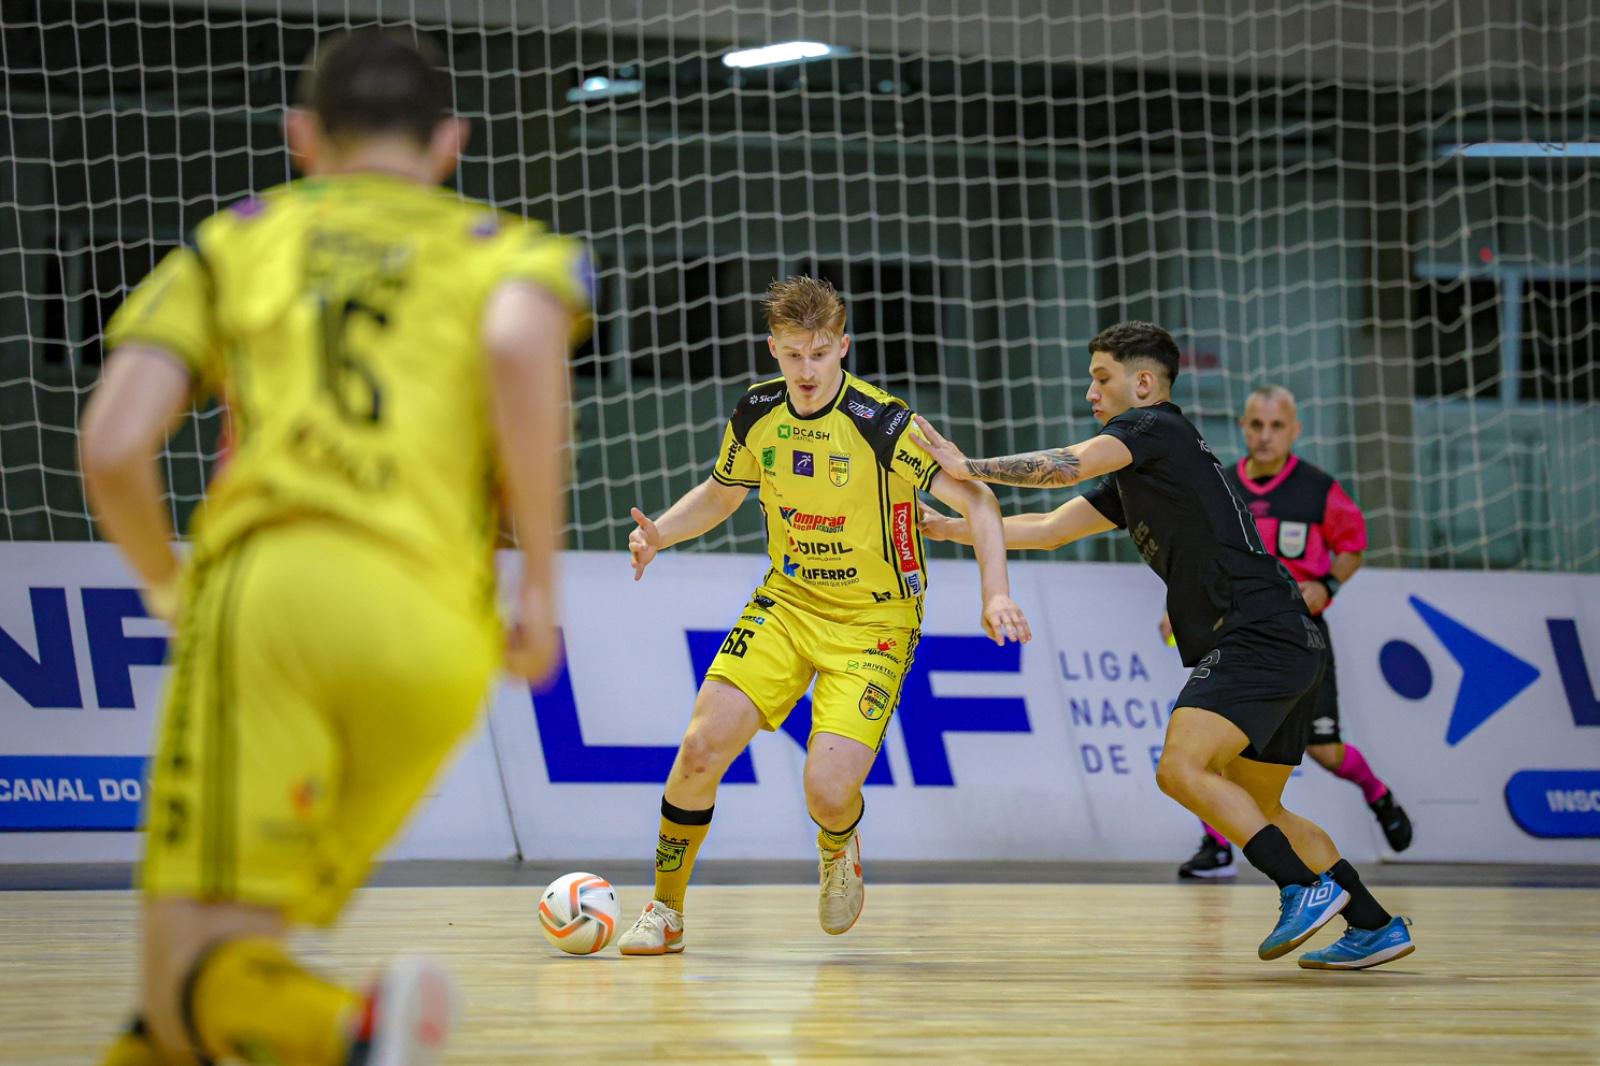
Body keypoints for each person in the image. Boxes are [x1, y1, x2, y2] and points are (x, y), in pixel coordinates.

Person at [82, 31, 589, 1065]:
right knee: (200, 997)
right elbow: (515, 344)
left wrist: (170, 587)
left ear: (302, 137)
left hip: (279, 597)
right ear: (450, 142)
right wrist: (539, 581)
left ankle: (355, 1033)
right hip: (443, 638)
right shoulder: (510, 250)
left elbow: (112, 446)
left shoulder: (242, 238)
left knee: (185, 977)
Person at [914, 321, 1415, 970]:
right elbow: (1046, 529)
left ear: (1142, 384)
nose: (1091, 392)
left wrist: (967, 466)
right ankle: (1373, 925)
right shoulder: (1141, 469)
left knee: (1179, 767)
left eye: (1101, 378)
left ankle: (1301, 886)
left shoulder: (1156, 428)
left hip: (1256, 633)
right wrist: (950, 528)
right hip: (1285, 637)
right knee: (1262, 807)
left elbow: (1065, 465)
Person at [616, 275, 1030, 955]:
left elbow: (980, 503)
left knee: (828, 790)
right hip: (786, 604)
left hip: (875, 622)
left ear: (843, 346)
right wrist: (660, 531)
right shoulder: (756, 413)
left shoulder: (886, 426)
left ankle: (839, 844)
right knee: (698, 750)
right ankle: (665, 912)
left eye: (818, 354)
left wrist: (995, 593)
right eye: (792, 355)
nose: (806, 372)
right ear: (772, 348)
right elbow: (722, 496)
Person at [1173, 385, 1412, 880]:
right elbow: (1200, 554)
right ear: (1241, 427)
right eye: (1255, 425)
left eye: (1276, 426)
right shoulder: (1221, 484)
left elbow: (1352, 547)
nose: (1264, 436)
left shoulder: (1319, 488)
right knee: (1209, 743)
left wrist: (1326, 583)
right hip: (1237, 627)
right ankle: (1216, 846)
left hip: (1298, 634)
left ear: (1295, 431)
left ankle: (1378, 795)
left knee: (1325, 750)